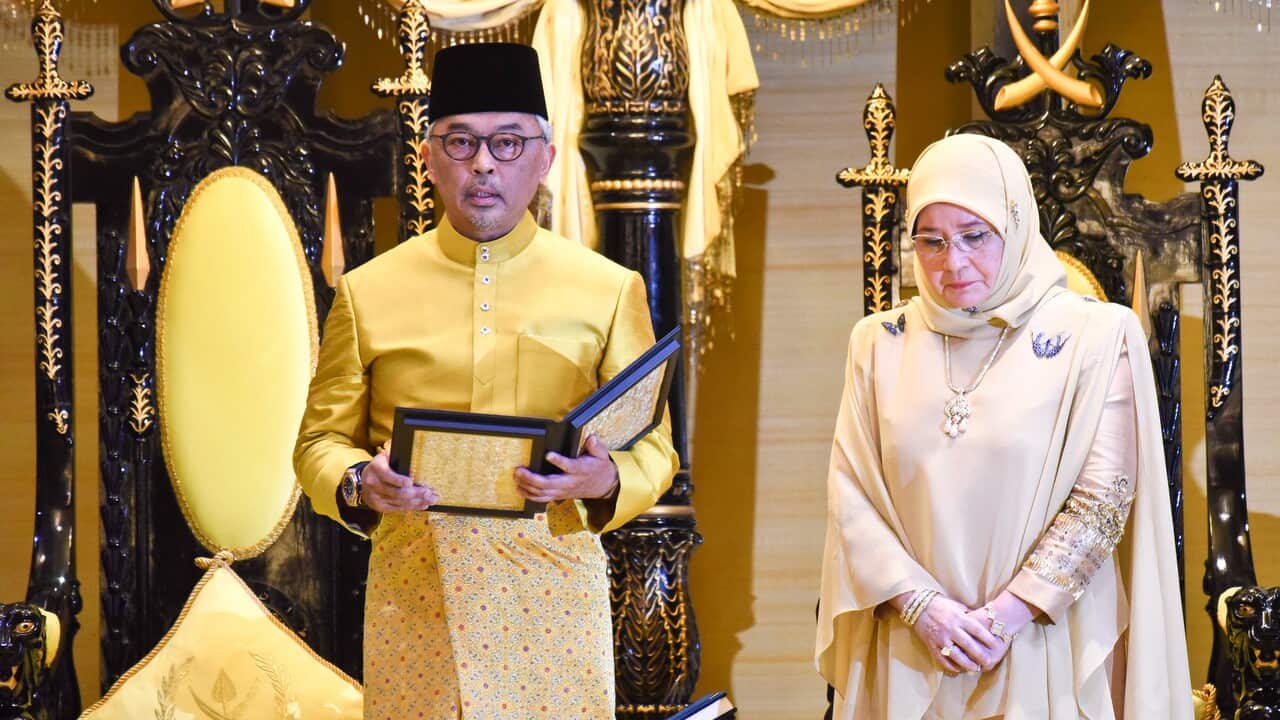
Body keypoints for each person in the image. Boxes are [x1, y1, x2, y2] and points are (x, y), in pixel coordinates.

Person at [293, 43, 678, 720]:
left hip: (554, 585)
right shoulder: (368, 292)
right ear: (428, 158)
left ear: (545, 160)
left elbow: (655, 448)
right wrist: (358, 483)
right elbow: (320, 441)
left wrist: (604, 479)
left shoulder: (609, 290)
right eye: (461, 142)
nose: (483, 163)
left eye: (506, 142)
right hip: (416, 590)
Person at [814, 133, 1192, 719]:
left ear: (1014, 228)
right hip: (914, 646)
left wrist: (1000, 620)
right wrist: (924, 610)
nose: (952, 263)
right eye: (931, 242)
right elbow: (852, 494)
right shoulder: (877, 343)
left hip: (1040, 640)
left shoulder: (1095, 337)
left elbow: (1102, 501)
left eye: (973, 237)